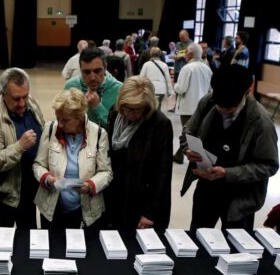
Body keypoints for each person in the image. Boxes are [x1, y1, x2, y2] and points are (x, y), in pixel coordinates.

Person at [180, 65, 279, 231]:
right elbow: (188, 131)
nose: (223, 111)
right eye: (220, 107)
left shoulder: (261, 123)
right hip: (207, 190)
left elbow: (269, 165)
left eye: (230, 109)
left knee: (235, 250)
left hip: (239, 200)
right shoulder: (208, 102)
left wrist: (228, 173)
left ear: (247, 92)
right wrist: (188, 149)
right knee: (198, 239)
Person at [33, 88, 112, 229]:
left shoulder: (99, 134)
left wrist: (90, 185)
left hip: (86, 212)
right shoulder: (50, 129)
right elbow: (38, 164)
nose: (60, 124)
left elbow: (106, 172)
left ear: (80, 117)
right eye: (58, 118)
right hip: (52, 210)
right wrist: (47, 178)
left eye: (65, 120)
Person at [106, 76, 173, 229]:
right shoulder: (115, 113)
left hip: (142, 200)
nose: (131, 114)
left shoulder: (159, 124)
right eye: (127, 108)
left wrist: (149, 213)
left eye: (137, 109)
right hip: (117, 195)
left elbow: (162, 173)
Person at [0, 68, 44, 228]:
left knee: (29, 238)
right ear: (3, 94)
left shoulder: (30, 102)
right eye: (16, 99)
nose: (23, 103)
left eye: (25, 96)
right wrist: (19, 146)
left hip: (31, 190)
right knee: (4, 240)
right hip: (8, 196)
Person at [173, 43, 213, 164]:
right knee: (194, 134)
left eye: (185, 52)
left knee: (188, 134)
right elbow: (211, 90)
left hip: (188, 106)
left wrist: (174, 86)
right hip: (202, 107)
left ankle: (199, 160)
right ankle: (180, 155)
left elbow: (182, 88)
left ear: (190, 54)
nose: (184, 55)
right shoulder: (207, 68)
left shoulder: (187, 68)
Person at [64, 47, 123, 128]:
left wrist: (98, 107)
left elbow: (118, 130)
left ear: (105, 68)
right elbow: (65, 123)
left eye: (97, 71)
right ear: (80, 70)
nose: (92, 78)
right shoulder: (71, 87)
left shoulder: (119, 89)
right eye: (86, 72)